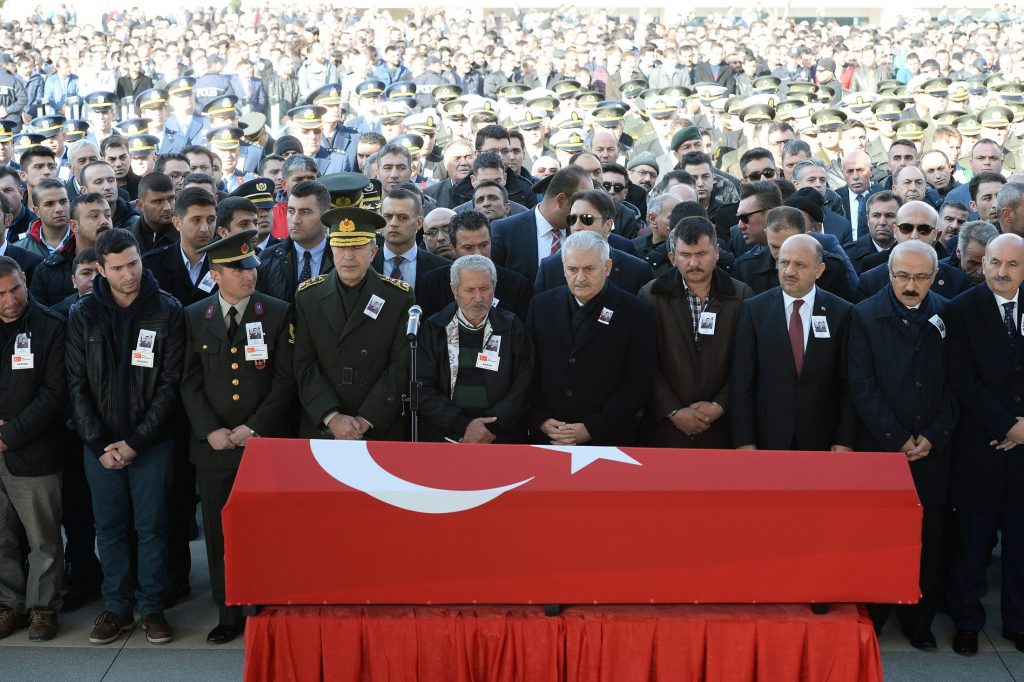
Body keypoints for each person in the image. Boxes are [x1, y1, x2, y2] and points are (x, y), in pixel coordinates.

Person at [66, 228, 184, 646]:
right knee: (109, 528)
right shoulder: (83, 314)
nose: (128, 274)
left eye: (133, 263)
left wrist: (136, 443)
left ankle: (151, 608)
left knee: (153, 527)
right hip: (98, 447)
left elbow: (170, 386)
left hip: (151, 444)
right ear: (100, 269)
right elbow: (76, 385)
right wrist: (99, 445)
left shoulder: (167, 310)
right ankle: (116, 607)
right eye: (117, 268)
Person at [180, 230, 295, 645]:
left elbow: (285, 380)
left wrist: (253, 428)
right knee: (219, 531)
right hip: (214, 448)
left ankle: (263, 604)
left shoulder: (277, 312)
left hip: (261, 444)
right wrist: (210, 430)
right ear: (215, 274)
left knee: (265, 529)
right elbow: (188, 382)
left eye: (251, 266)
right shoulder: (195, 316)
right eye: (238, 269)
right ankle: (228, 610)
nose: (249, 275)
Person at [848, 240, 956, 650]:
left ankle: (918, 618)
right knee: (877, 535)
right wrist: (895, 437)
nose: (910, 286)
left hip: (932, 451)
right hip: (880, 450)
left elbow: (955, 384)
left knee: (926, 539)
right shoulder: (863, 315)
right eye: (902, 276)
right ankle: (874, 613)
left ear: (934, 276)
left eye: (921, 277)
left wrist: (933, 435)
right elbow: (860, 384)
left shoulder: (948, 313)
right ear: (889, 273)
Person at [945, 233, 1024, 656]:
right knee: (972, 546)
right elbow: (963, 380)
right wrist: (1007, 426)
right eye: (995, 262)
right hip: (981, 447)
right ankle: (967, 622)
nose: (1002, 271)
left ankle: (1018, 621)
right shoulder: (962, 310)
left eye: (1012, 264)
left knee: (1021, 548)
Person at [293, 206, 415, 440]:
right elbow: (303, 364)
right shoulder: (308, 296)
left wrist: (367, 418)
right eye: (341, 246)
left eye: (357, 247)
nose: (348, 256)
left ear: (373, 251)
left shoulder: (399, 296)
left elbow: (401, 365)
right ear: (331, 249)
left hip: (377, 423)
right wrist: (331, 416)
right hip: (323, 423)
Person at [526, 230, 655, 446]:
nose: (580, 277)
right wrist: (540, 419)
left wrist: (593, 427)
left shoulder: (636, 313)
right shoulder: (540, 306)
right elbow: (527, 369)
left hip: (608, 440)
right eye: (572, 269)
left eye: (589, 269)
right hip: (550, 436)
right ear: (563, 269)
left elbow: (638, 382)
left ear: (607, 267)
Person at [730, 233, 856, 451]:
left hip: (823, 438)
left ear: (819, 270)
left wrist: (844, 440)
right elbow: (742, 382)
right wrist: (744, 441)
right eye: (784, 263)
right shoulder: (754, 310)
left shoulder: (842, 313)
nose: (789, 271)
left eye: (799, 264)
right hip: (767, 437)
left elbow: (849, 384)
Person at [639, 217, 752, 448]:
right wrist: (673, 410)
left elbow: (747, 362)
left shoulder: (742, 296)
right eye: (685, 255)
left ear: (717, 252)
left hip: (723, 430)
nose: (693, 263)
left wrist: (720, 405)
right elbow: (642, 363)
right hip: (664, 431)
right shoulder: (650, 296)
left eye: (701, 254)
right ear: (672, 258)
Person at [0, 256, 67, 641]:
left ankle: (44, 607)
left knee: (43, 538)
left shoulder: (50, 326)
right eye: (2, 295)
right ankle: (10, 603)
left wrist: (10, 435)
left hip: (36, 451)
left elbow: (55, 394)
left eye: (15, 289)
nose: (11, 301)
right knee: (2, 537)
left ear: (25, 281)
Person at [417, 254, 535, 443]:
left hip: (501, 435)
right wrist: (462, 426)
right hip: (446, 436)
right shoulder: (435, 328)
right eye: (470, 290)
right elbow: (422, 387)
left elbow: (524, 383)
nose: (478, 298)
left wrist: (489, 427)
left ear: (494, 287)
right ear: (454, 290)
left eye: (485, 288)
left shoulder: (512, 326)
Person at [533, 189, 653, 295]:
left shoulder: (637, 270)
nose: (576, 227)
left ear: (608, 225)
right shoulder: (549, 268)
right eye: (572, 219)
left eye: (587, 219)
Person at [416, 211, 532, 321]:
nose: (477, 253)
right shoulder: (431, 284)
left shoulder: (517, 286)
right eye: (468, 247)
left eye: (483, 245)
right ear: (452, 248)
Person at [491, 165, 592, 283]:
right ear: (561, 200)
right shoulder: (505, 231)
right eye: (582, 201)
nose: (587, 208)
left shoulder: (584, 231)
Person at [854, 200, 970, 302]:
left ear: (936, 234)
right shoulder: (870, 281)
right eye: (906, 228)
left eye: (924, 229)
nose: (914, 236)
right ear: (895, 231)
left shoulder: (957, 280)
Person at [257, 179, 333, 303]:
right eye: (291, 211)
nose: (295, 220)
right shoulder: (267, 259)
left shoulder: (341, 257)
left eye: (305, 212)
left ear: (326, 216)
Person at [371, 188, 454, 289]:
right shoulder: (366, 264)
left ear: (419, 223)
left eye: (403, 217)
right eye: (388, 216)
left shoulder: (444, 268)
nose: (393, 224)